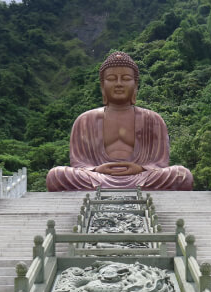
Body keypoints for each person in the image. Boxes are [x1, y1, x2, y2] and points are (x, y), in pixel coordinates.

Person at [46, 52, 194, 191]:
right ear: (102, 86)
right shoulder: (85, 120)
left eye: (126, 79)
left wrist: (141, 169)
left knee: (181, 174)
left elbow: (160, 163)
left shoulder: (152, 119)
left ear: (135, 85)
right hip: (98, 177)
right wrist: (96, 169)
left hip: (141, 177)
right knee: (56, 175)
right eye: (111, 79)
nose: (118, 83)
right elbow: (80, 164)